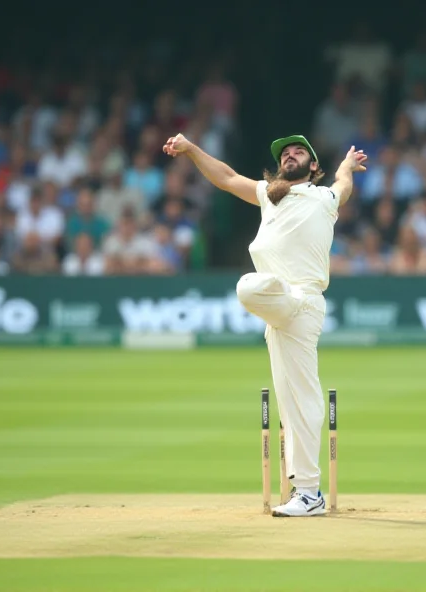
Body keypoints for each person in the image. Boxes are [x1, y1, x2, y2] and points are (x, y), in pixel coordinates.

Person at [163, 132, 367, 517]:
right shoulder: (267, 196)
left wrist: (346, 165)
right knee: (289, 400)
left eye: (298, 152)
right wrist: (190, 149)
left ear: (313, 167)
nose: (290, 155)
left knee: (299, 394)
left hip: (303, 303)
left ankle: (309, 493)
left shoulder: (324, 199)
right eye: (285, 154)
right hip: (280, 310)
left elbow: (343, 182)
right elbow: (224, 177)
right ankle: (304, 491)